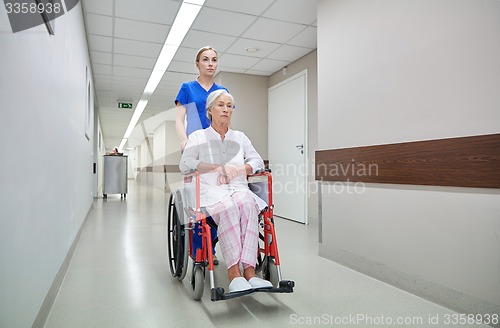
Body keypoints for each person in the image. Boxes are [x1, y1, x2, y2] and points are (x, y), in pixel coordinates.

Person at [180, 89, 273, 292]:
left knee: (248, 205)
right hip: (210, 191)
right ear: (210, 110)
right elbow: (185, 164)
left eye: (229, 106)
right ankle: (234, 272)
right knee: (229, 207)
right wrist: (216, 168)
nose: (226, 109)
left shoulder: (240, 137)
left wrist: (239, 170)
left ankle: (249, 271)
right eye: (221, 105)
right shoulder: (198, 137)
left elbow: (256, 160)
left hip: (238, 187)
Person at [174, 46, 228, 264]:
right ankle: (199, 249)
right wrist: (183, 140)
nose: (210, 63)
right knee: (197, 202)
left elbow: (225, 118)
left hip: (216, 149)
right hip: (196, 149)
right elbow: (179, 119)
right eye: (205, 59)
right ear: (197, 64)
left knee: (215, 198)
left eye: (214, 59)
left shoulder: (222, 90)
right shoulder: (187, 88)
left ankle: (211, 248)